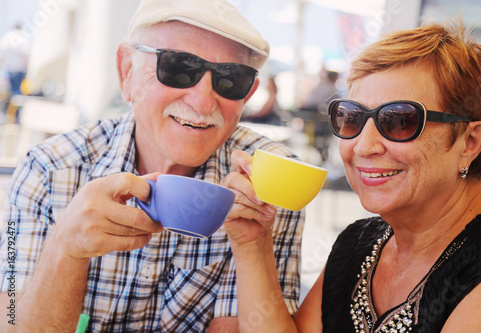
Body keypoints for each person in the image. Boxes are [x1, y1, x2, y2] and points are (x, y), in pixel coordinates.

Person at [0, 0, 304, 332]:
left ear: (248, 95)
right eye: (177, 68)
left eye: (231, 79)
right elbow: (11, 318)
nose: (202, 101)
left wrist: (252, 244)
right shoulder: (47, 168)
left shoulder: (268, 182)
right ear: (127, 72)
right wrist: (65, 248)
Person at [222, 18, 481, 332]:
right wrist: (252, 241)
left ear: (470, 142)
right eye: (351, 117)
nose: (363, 146)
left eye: (398, 120)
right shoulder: (360, 243)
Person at [0, 24, 29, 97]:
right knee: (19, 95)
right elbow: (24, 55)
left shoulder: (5, 38)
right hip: (20, 72)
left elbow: (1, 58)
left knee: (11, 94)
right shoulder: (21, 37)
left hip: (9, 71)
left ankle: (12, 107)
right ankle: (17, 108)